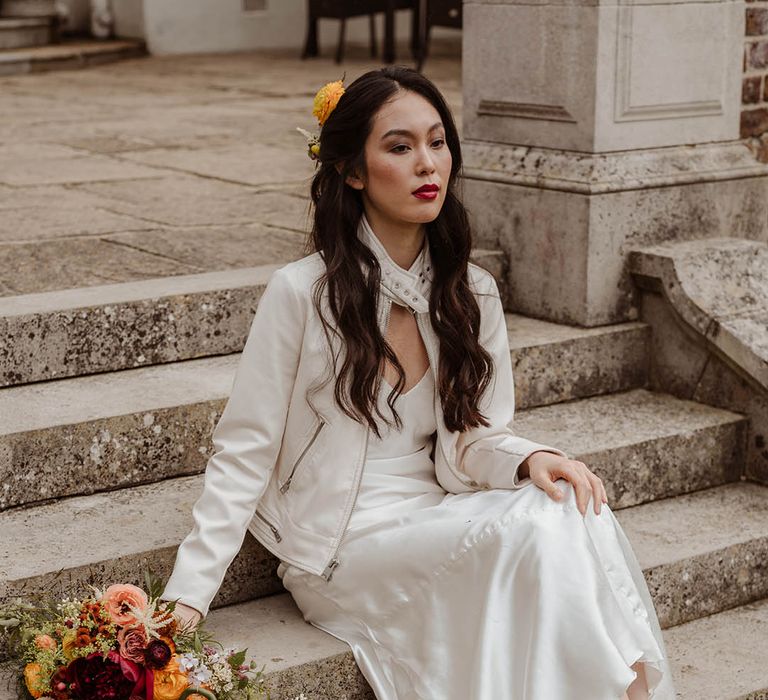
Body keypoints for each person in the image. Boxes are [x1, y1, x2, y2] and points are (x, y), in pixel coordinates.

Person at [162, 66, 675, 699]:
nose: (427, 164)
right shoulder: (302, 293)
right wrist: (188, 594)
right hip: (342, 547)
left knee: (567, 508)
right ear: (352, 171)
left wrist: (530, 458)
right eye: (399, 147)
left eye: (437, 142)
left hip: (439, 512)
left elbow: (476, 439)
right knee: (540, 533)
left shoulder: (470, 291)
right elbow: (244, 451)